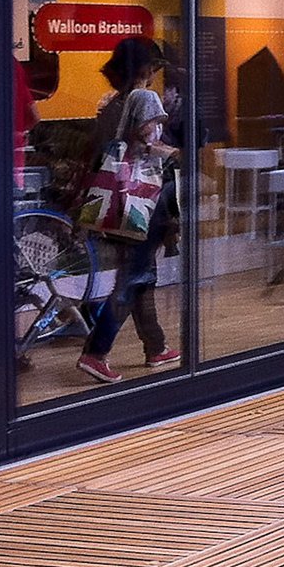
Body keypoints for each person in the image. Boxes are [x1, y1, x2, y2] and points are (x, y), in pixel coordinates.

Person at [77, 37, 179, 384]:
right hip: (142, 200)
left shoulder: (111, 104)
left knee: (141, 275)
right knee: (134, 277)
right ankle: (96, 352)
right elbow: (148, 144)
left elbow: (99, 149)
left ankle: (156, 346)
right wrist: (175, 153)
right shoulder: (146, 98)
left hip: (116, 199)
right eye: (155, 66)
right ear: (146, 67)